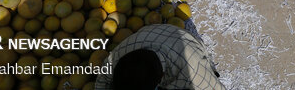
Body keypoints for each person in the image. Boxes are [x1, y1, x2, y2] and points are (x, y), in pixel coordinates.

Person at [95, 24, 226, 90]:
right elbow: (103, 79)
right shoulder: (121, 53)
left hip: (187, 46)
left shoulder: (193, 71)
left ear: (161, 78)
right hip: (158, 34)